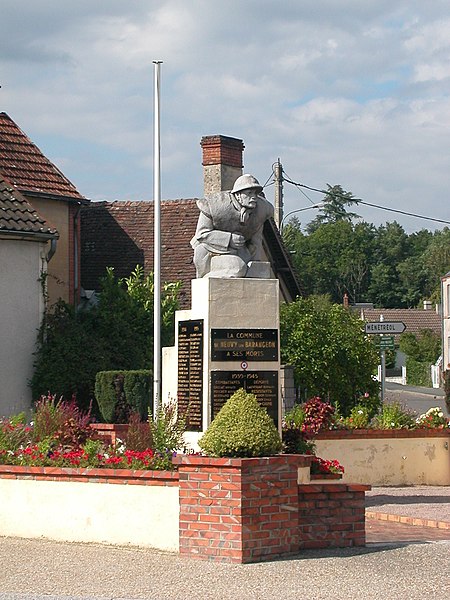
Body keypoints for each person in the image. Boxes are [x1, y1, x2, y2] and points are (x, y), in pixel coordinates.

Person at [190, 174, 274, 278]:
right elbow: (201, 234)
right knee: (238, 268)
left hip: (241, 252)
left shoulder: (263, 209)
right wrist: (229, 239)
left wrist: (255, 262)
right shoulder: (214, 205)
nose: (253, 197)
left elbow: (256, 239)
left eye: (255, 193)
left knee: (261, 272)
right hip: (211, 251)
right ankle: (207, 277)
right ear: (238, 195)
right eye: (249, 193)